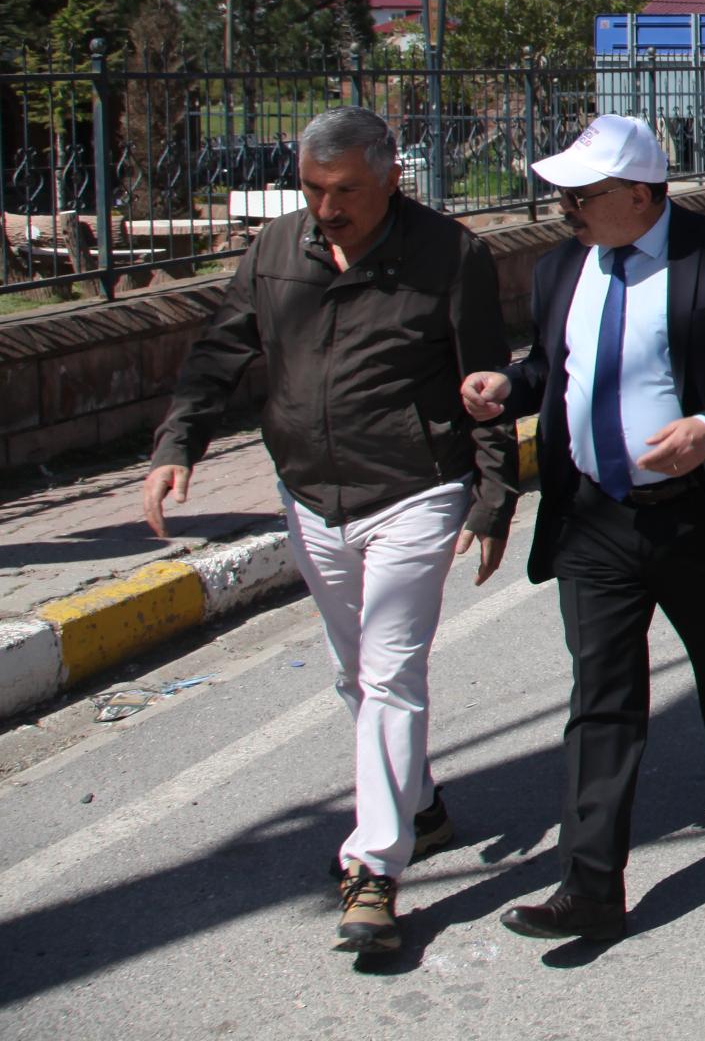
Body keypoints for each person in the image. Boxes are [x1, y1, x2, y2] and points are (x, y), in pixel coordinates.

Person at [144, 106, 510, 956]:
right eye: (312, 188)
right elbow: (221, 349)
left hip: (415, 490)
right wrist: (178, 443)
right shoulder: (277, 248)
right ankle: (419, 804)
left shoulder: (451, 256)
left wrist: (493, 497)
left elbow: (485, 382)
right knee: (355, 671)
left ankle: (374, 866)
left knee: (389, 674)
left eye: (345, 190)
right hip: (310, 494)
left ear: (390, 177)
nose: (327, 208)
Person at [460, 115, 705, 943]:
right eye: (565, 194)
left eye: (584, 194)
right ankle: (589, 886)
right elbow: (554, 366)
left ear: (641, 195)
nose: (566, 208)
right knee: (601, 700)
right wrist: (508, 385)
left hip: (695, 514)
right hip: (593, 517)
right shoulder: (558, 269)